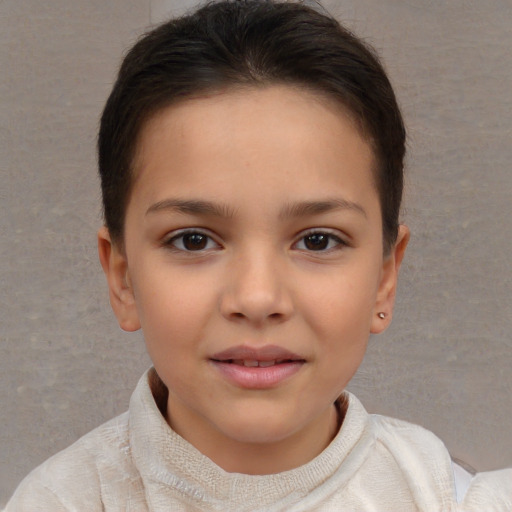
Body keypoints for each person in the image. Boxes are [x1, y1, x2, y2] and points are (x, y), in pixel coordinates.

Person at [5, 0, 511, 510]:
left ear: (384, 277)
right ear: (123, 278)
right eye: (193, 240)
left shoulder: (451, 499)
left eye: (317, 240)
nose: (256, 297)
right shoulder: (58, 501)